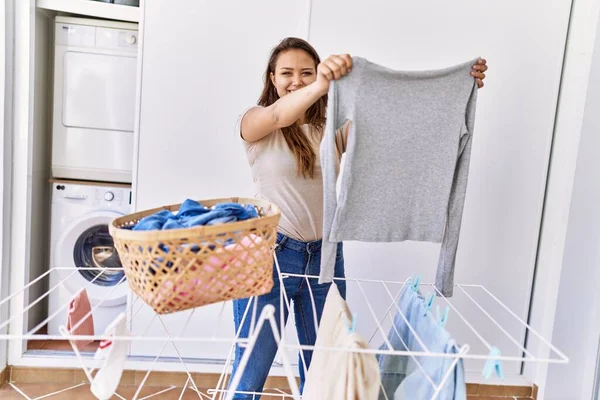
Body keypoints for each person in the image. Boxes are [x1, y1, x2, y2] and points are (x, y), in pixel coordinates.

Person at [229, 37, 488, 398]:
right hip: (269, 256)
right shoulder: (254, 122)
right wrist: (322, 83)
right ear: (272, 78)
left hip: (324, 257)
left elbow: (394, 121)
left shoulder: (331, 128)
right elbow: (278, 115)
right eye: (287, 73)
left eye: (307, 72)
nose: (296, 80)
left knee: (325, 367)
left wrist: (456, 89)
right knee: (251, 366)